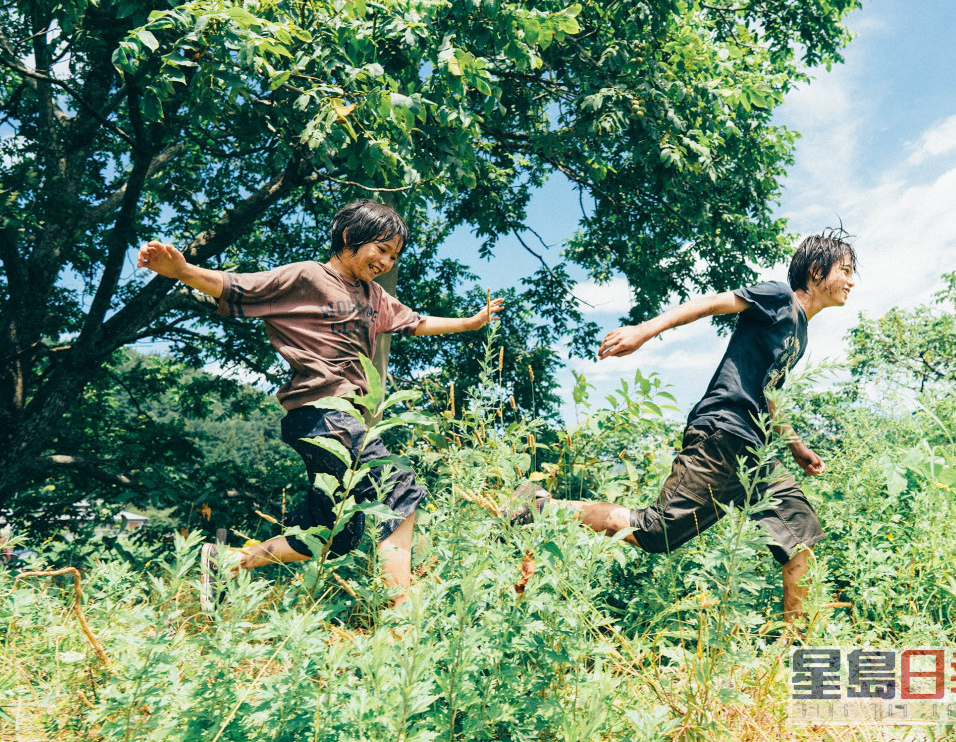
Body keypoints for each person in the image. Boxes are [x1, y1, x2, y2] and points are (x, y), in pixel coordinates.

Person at [137, 200, 503, 610]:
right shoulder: (309, 276)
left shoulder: (375, 297)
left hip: (336, 420)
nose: (386, 261)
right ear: (349, 238)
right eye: (380, 249)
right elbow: (240, 286)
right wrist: (183, 272)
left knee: (333, 533)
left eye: (394, 255)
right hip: (321, 414)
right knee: (398, 489)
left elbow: (415, 322)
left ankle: (228, 560)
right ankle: (401, 621)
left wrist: (471, 323)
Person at [504, 230, 857, 624]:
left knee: (800, 535)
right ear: (816, 270)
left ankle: (795, 650)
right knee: (656, 533)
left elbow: (770, 390)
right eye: (845, 270)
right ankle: (539, 505)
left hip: (755, 450)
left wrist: (795, 445)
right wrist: (644, 331)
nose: (851, 281)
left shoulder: (800, 330)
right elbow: (713, 304)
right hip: (723, 433)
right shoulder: (778, 297)